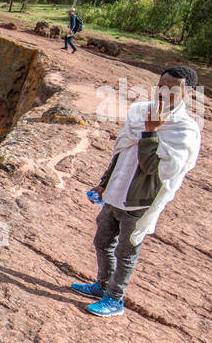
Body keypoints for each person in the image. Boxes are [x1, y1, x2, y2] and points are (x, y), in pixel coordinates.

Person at [72, 65, 202, 317]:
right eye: (162, 86)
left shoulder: (184, 130)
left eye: (175, 89)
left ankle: (115, 298)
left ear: (189, 93)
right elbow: (121, 150)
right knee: (102, 240)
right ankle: (101, 285)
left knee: (126, 250)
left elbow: (153, 166)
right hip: (116, 192)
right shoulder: (140, 112)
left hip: (140, 201)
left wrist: (151, 131)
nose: (165, 93)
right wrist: (104, 183)